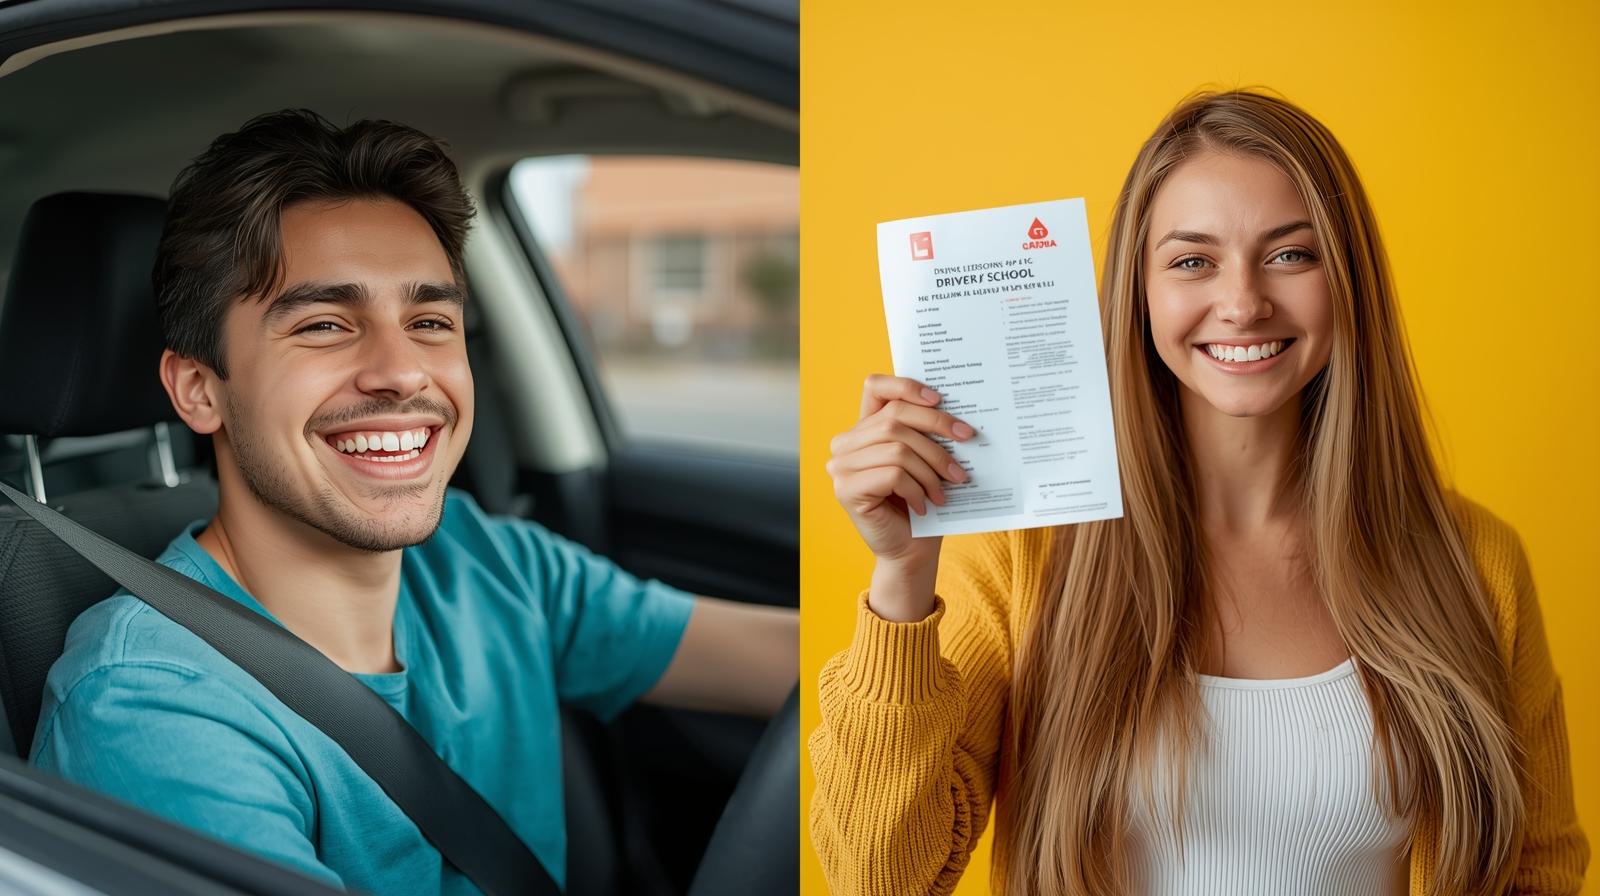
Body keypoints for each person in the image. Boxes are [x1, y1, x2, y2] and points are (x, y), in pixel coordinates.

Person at [810, 89, 1587, 895]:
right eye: (1192, 261)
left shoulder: (1472, 560)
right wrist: (902, 577)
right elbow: (879, 878)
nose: (1244, 302)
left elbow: (1539, 872)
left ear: (1348, 280)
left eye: (1291, 254)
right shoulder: (1025, 557)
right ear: (1138, 295)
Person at [29, 109, 797, 894]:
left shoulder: (483, 559)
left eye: (430, 320)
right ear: (200, 389)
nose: (401, 371)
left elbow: (801, 665)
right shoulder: (151, 707)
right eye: (326, 324)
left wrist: (902, 579)